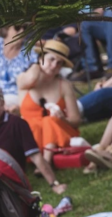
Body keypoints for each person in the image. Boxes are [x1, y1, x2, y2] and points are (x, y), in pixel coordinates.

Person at [0, 85, 66, 194]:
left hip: (8, 179)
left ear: (1, 102)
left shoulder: (16, 123)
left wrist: (54, 184)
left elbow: (35, 156)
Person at [15, 39, 83, 168]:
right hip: (33, 137)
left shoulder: (64, 85)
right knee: (34, 124)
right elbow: (31, 79)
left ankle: (45, 163)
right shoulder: (24, 79)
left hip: (58, 135)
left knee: (49, 121)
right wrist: (37, 64)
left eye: (59, 63)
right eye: (51, 59)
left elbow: (76, 120)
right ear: (41, 57)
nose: (54, 66)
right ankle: (43, 162)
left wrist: (63, 119)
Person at [0, 27, 38, 107]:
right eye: (17, 27)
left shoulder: (30, 50)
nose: (22, 31)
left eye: (25, 28)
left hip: (15, 95)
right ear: (6, 29)